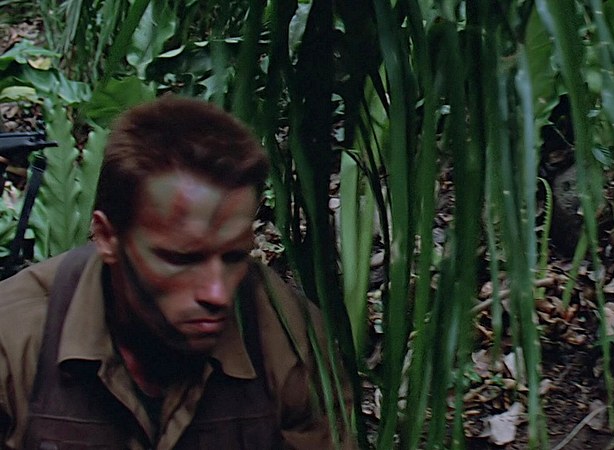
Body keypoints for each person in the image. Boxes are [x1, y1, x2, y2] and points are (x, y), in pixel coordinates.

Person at [0, 96, 353, 449]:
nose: (217, 293)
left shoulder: (288, 336)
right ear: (107, 237)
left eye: (234, 257)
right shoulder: (14, 340)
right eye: (182, 259)